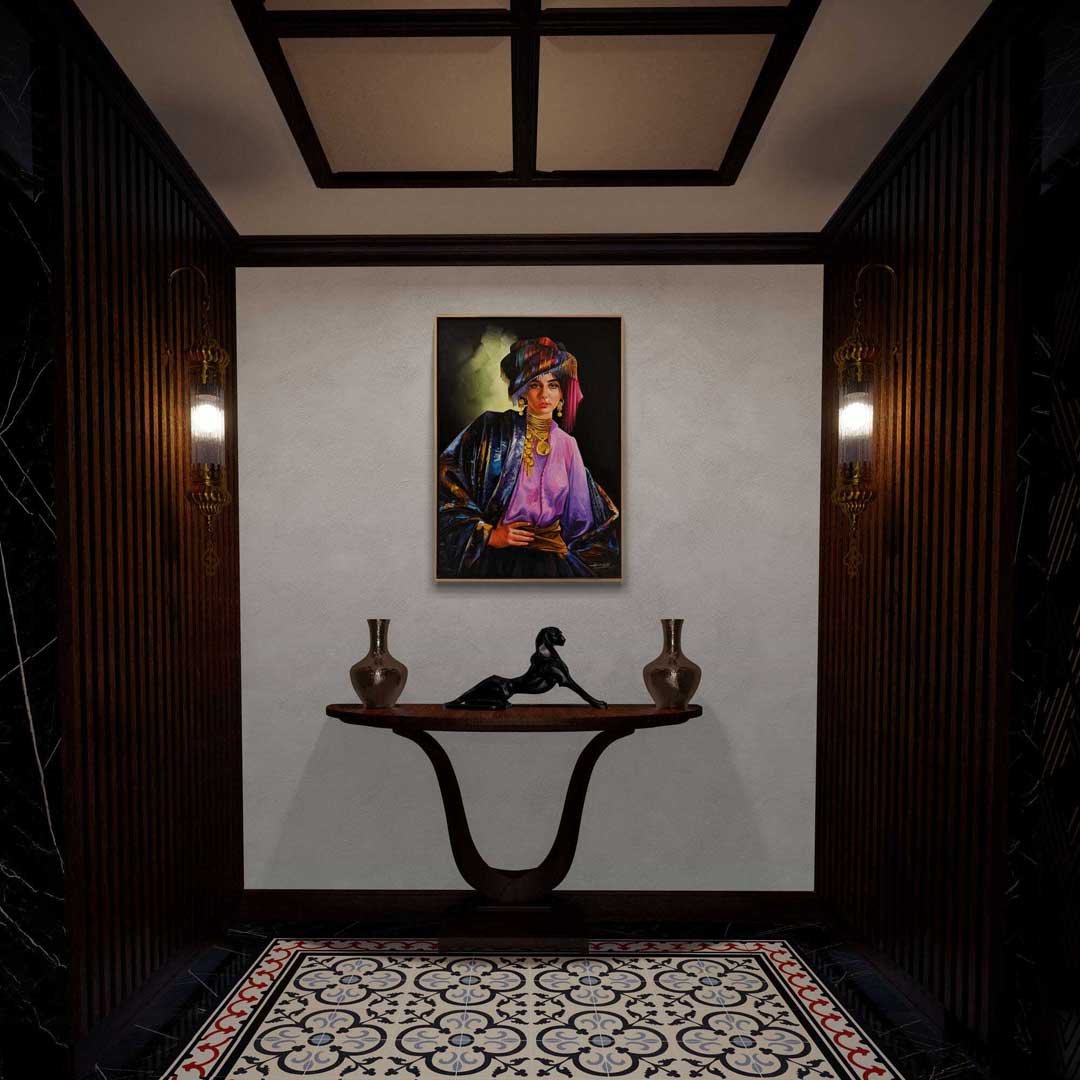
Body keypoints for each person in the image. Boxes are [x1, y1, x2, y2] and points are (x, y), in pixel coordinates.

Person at [438, 336, 619, 578]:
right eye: (535, 384)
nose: (545, 394)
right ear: (522, 391)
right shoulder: (492, 430)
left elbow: (581, 522)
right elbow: (446, 484)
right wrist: (489, 535)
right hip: (498, 558)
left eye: (553, 385)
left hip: (552, 561)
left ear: (562, 393)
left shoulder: (568, 445)